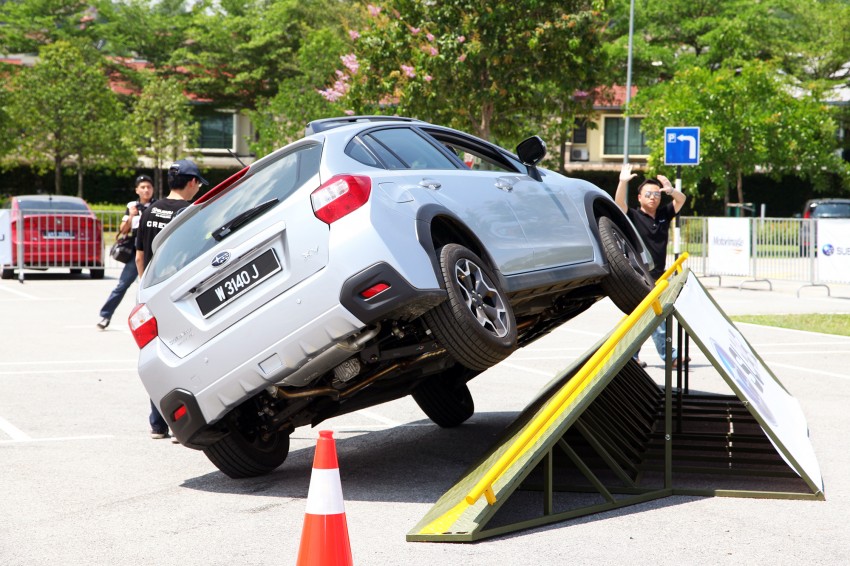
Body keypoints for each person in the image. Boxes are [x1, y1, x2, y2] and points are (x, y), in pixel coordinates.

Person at [136, 159, 207, 439]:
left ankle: (157, 423)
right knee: (183, 354)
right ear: (191, 182)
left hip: (151, 292)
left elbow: (140, 255)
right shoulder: (191, 213)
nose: (198, 188)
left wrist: (144, 290)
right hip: (179, 293)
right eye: (198, 183)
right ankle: (183, 424)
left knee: (157, 355)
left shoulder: (150, 209)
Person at [615, 163, 687, 368]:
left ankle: (631, 356)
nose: (653, 197)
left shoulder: (664, 214)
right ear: (639, 198)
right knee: (655, 314)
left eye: (656, 194)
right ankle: (670, 356)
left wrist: (671, 190)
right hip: (639, 274)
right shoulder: (634, 216)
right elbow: (618, 203)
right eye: (648, 194)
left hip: (659, 275)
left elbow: (681, 200)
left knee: (640, 316)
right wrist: (622, 182)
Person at [96, 175, 155, 330]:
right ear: (137, 190)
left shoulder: (157, 206)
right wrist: (131, 216)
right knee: (122, 285)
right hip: (137, 252)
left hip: (154, 251)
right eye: (142, 187)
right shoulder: (132, 207)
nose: (146, 190)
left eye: (149, 187)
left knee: (153, 287)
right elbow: (123, 230)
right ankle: (105, 315)